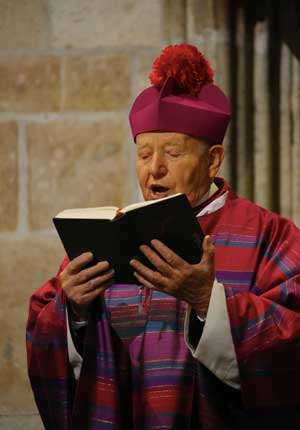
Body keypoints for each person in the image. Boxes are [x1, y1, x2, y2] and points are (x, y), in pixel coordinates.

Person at [26, 44, 300, 429]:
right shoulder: (109, 237)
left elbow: (291, 344)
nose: (154, 170)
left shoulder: (269, 236)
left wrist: (209, 302)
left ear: (213, 159)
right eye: (143, 155)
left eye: (172, 153)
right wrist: (71, 312)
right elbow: (44, 334)